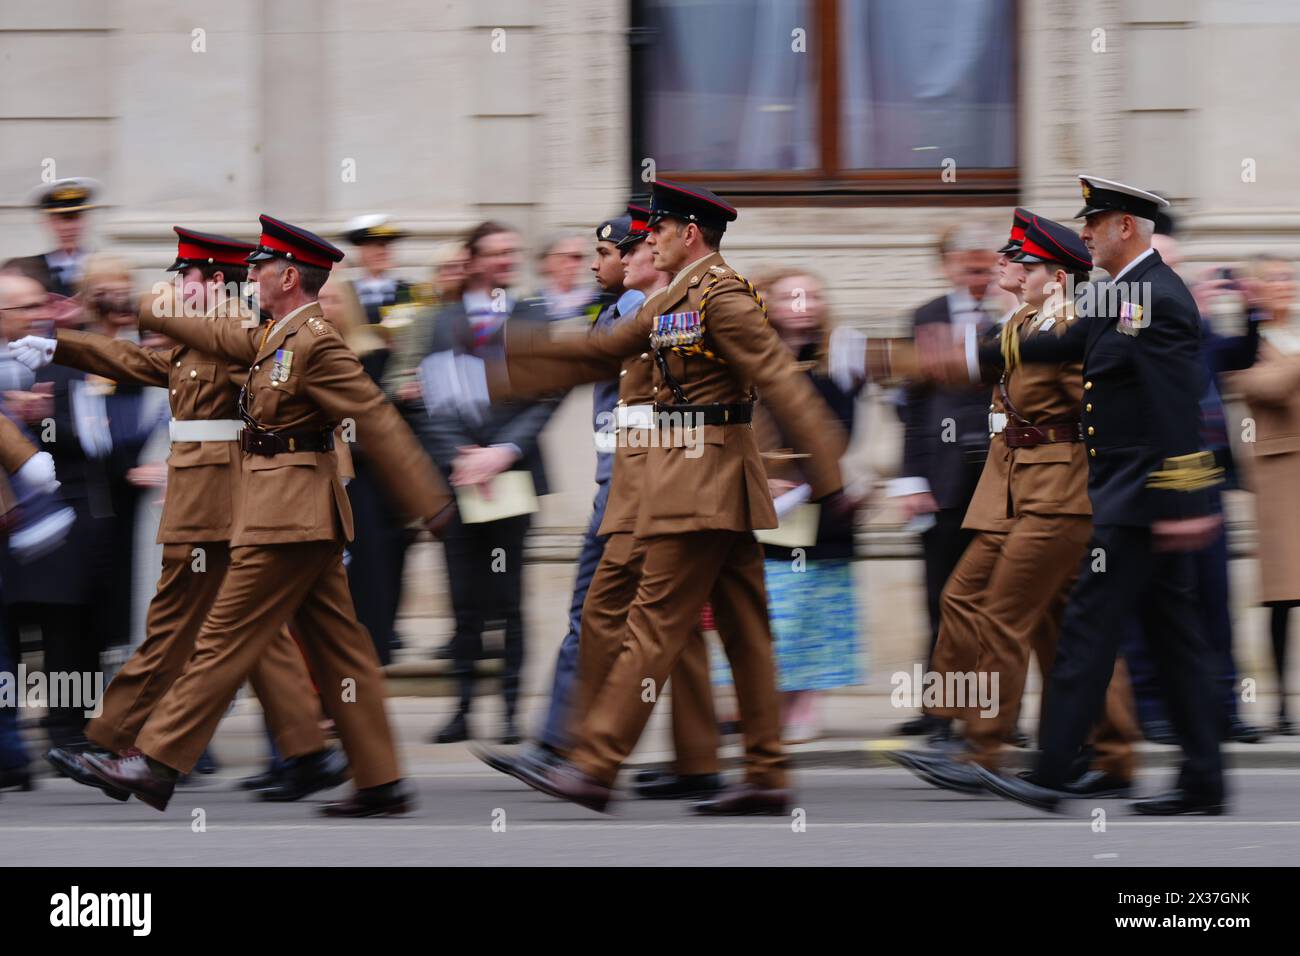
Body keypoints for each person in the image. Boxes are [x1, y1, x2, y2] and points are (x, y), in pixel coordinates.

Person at [485, 179, 848, 814]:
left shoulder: (725, 296)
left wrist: (832, 475)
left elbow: (782, 383)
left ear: (690, 233)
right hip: (694, 483)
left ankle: (596, 764)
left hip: (704, 484)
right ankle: (765, 773)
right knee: (745, 631)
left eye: (659, 229)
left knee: (653, 623)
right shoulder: (676, 295)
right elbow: (606, 349)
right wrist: (511, 364)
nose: (648, 239)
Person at [76, 215, 453, 817]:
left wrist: (429, 500)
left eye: (259, 267)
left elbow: (375, 417)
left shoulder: (314, 342)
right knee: (340, 649)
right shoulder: (274, 334)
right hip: (291, 513)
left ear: (286, 276)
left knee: (223, 636)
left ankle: (154, 760)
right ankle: (380, 780)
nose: (248, 274)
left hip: (289, 517)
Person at [14, 227, 352, 802]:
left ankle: (115, 740)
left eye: (185, 276)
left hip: (221, 493)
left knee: (177, 618)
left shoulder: (245, 328)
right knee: (248, 629)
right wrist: (60, 345)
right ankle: (306, 750)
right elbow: (146, 363)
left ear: (215, 281)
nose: (175, 287)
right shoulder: (205, 333)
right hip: (210, 491)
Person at [940, 176, 1228, 815]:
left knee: (1086, 633)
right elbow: (1057, 341)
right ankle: (1203, 780)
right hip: (1131, 497)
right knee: (1171, 639)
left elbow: (1177, 409)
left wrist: (1185, 506)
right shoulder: (1122, 294)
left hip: (1144, 500)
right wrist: (960, 353)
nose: (1086, 235)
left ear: (1126, 226)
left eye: (1094, 224)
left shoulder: (1155, 296)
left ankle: (1051, 773)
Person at [476, 202, 723, 802]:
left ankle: (562, 745)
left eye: (606, 253)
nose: (594, 264)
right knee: (678, 626)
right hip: (634, 484)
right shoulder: (618, 310)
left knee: (594, 614)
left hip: (637, 489)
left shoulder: (657, 314)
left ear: (640, 254)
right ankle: (698, 763)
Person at [886, 214, 1139, 795]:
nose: (1004, 266)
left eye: (1019, 262)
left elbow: (1102, 406)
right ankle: (1110, 750)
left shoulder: (1070, 323)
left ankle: (983, 749)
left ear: (1055, 275)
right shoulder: (1023, 318)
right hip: (1015, 489)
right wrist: (870, 357)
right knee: (1017, 612)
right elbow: (961, 366)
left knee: (1002, 614)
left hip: (1059, 492)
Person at [417, 222, 558, 745]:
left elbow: (544, 397)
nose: (506, 260)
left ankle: (510, 711)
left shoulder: (532, 316)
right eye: (496, 253)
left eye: (512, 252)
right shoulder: (440, 321)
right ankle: (461, 707)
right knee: (463, 596)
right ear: (473, 261)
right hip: (457, 477)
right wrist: (459, 455)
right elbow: (430, 400)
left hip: (512, 476)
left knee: (510, 595)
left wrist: (501, 453)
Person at [892, 223, 1007, 740]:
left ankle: (994, 715)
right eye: (971, 268)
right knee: (941, 598)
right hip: (941, 481)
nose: (981, 278)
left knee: (997, 600)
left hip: (1004, 479)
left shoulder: (1015, 315)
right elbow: (913, 408)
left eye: (989, 267)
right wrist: (910, 478)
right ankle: (940, 711)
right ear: (949, 267)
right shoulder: (925, 318)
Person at [746, 267, 864, 743]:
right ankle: (763, 700)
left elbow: (846, 432)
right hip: (766, 506)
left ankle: (805, 703)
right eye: (793, 296)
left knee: (818, 608)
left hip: (821, 504)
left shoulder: (839, 359)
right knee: (772, 608)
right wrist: (760, 477)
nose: (804, 304)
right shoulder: (751, 359)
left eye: (813, 296)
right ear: (768, 304)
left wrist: (808, 483)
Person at [1227, 254, 1300, 735]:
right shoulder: (1251, 343)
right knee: (1282, 598)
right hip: (1279, 477)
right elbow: (1261, 386)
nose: (1286, 285)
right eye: (1275, 278)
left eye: (1289, 277)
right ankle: (1278, 708)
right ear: (1256, 290)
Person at [4, 178, 99, 298]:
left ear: (86, 221)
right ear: (45, 223)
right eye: (59, 219)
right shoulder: (26, 270)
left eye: (75, 218)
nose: (68, 227)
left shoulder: (106, 268)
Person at [342, 214, 412, 326]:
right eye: (373, 246)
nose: (382, 252)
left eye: (385, 245)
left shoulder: (409, 291)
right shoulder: (344, 294)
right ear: (359, 251)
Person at [534, 234, 599, 321]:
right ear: (546, 261)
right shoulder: (530, 305)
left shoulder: (597, 300)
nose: (572, 265)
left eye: (579, 257)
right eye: (563, 258)